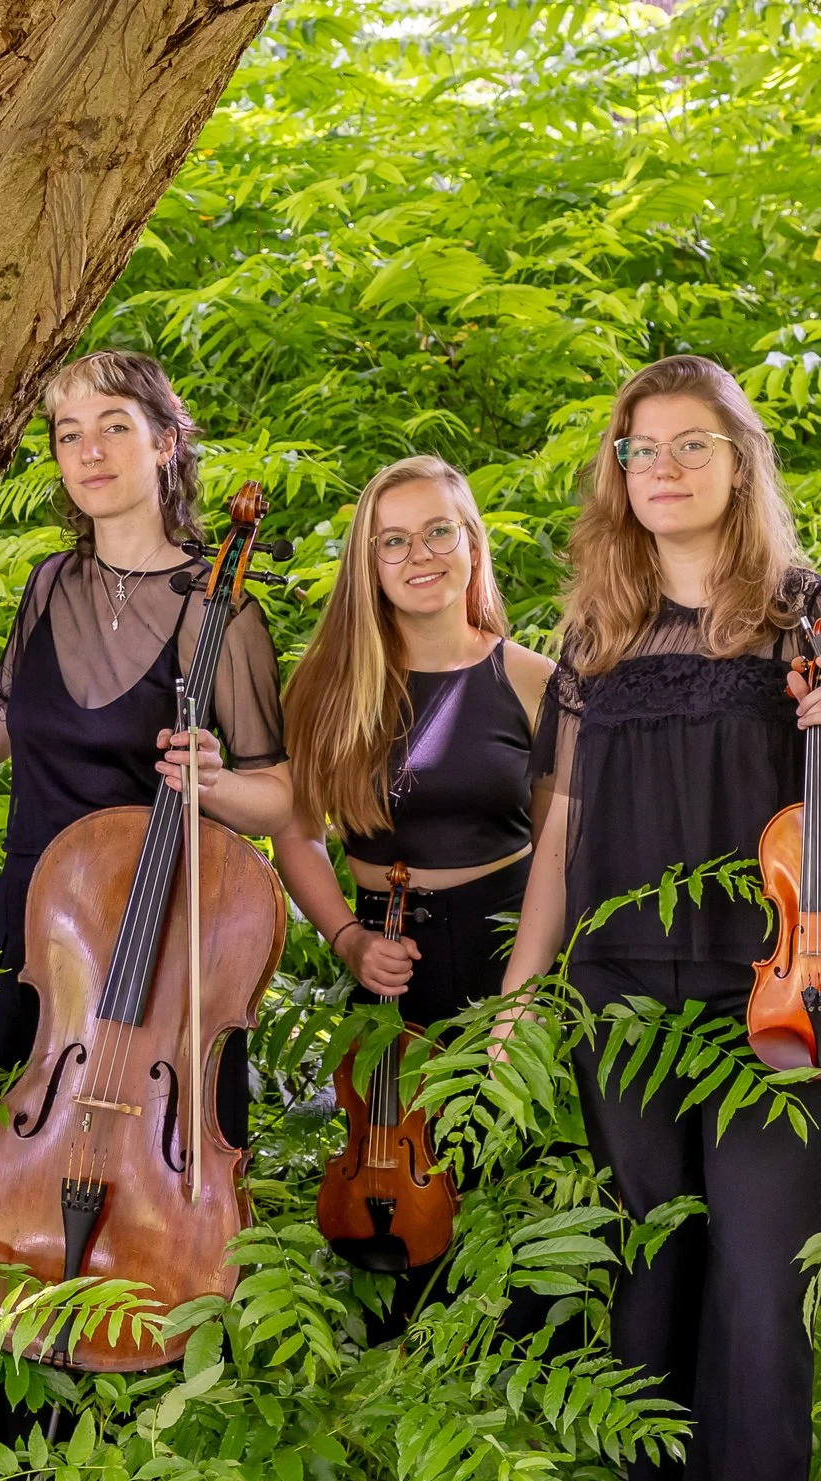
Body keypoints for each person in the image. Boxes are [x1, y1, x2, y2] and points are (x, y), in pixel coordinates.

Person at [496, 356, 821, 1481]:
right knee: (653, 1287)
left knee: (756, 1293)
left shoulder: (819, 617)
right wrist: (517, 1002)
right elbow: (559, 833)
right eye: (639, 449)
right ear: (617, 477)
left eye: (690, 445)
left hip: (789, 997)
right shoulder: (595, 636)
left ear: (741, 462)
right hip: (622, 1009)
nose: (663, 469)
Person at [0, 349, 291, 1250]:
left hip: (164, 944)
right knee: (24, 1165)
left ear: (166, 445)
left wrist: (215, 781)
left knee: (156, 1175)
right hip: (47, 936)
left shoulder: (218, 608)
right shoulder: (49, 587)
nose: (89, 450)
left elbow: (279, 798)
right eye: (68, 433)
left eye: (114, 426)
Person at [270, 456, 551, 1328]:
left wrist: (526, 997)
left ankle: (519, 1378)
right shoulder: (326, 682)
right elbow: (295, 832)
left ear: (473, 543)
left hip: (509, 952)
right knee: (390, 1170)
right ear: (369, 562)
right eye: (393, 540)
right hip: (387, 957)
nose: (419, 553)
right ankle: (397, 1384)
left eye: (439, 531)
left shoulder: (533, 680)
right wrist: (348, 940)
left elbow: (565, 850)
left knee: (509, 1178)